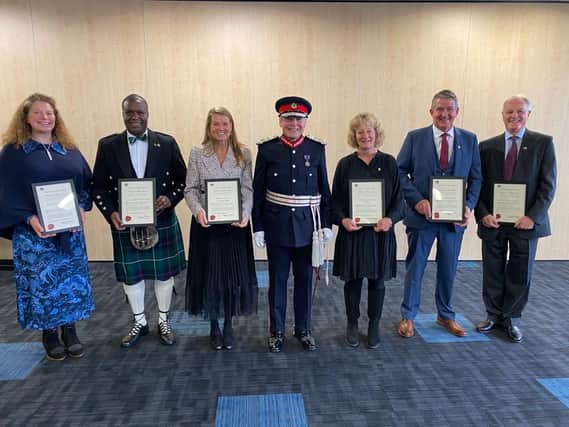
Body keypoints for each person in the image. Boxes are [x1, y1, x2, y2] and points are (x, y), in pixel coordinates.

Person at [0, 93, 94, 361]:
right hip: (35, 236)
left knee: (70, 283)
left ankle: (70, 329)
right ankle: (50, 333)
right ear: (26, 119)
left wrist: (81, 207)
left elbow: (85, 183)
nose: (45, 117)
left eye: (50, 113)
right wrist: (29, 219)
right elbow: (5, 194)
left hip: (69, 233)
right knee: (44, 285)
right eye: (38, 113)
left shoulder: (68, 148)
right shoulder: (14, 153)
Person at [92, 94, 186, 348]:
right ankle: (140, 321)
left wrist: (169, 198)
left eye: (139, 112)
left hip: (161, 220)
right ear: (123, 114)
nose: (134, 117)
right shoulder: (108, 145)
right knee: (131, 276)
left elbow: (182, 180)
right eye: (129, 113)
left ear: (148, 113)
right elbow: (98, 186)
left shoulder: (165, 143)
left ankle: (164, 320)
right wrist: (110, 213)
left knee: (163, 274)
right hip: (126, 222)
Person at [396, 89, 482, 338]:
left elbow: (476, 178)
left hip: (453, 221)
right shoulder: (415, 138)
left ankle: (445, 315)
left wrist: (469, 206)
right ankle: (408, 317)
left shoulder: (469, 139)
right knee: (416, 267)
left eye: (449, 109)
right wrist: (417, 200)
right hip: (421, 218)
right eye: (439, 109)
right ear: (431, 111)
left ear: (457, 112)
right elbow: (400, 173)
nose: (444, 114)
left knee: (448, 268)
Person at [252, 96, 332, 353]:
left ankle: (303, 329)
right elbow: (257, 192)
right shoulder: (267, 150)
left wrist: (326, 224)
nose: (293, 123)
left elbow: (324, 191)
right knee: (277, 281)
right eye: (288, 118)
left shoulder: (316, 149)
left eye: (298, 119)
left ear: (305, 121)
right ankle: (276, 331)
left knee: (305, 280)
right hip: (276, 225)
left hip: (308, 227)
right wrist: (258, 227)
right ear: (280, 120)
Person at [474, 95, 556, 343]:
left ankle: (511, 319)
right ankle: (493, 315)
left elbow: (547, 186)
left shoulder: (543, 143)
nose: (514, 116)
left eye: (520, 111)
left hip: (526, 224)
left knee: (521, 272)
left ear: (528, 114)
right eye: (509, 112)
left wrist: (533, 217)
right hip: (494, 222)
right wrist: (483, 213)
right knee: (493, 269)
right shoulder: (486, 147)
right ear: (502, 115)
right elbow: (478, 185)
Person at [184, 107, 257, 350]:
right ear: (209, 127)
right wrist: (197, 211)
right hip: (207, 227)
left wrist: (246, 213)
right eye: (216, 124)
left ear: (232, 126)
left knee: (232, 279)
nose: (221, 128)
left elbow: (247, 189)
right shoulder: (197, 154)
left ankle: (228, 325)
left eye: (225, 124)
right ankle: (213, 325)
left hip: (235, 226)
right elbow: (190, 189)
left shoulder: (243, 153)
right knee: (210, 277)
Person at [332, 113, 402, 349]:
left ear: (376, 133)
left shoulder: (390, 163)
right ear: (354, 136)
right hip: (353, 234)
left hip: (379, 235)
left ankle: (374, 325)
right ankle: (352, 324)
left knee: (377, 282)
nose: (365, 135)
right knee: (352, 281)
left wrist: (390, 219)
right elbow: (335, 202)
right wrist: (342, 220)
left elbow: (399, 201)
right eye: (360, 132)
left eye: (369, 131)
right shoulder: (345, 164)